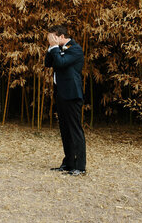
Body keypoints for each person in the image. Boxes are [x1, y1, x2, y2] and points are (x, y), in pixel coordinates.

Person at [44, 24, 86, 176]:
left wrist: (55, 47)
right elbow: (48, 63)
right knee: (65, 131)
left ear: (61, 36)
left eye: (53, 38)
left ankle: (80, 167)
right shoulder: (57, 49)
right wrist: (52, 48)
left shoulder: (75, 49)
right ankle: (68, 163)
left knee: (75, 131)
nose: (51, 41)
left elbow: (61, 63)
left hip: (72, 95)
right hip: (61, 94)